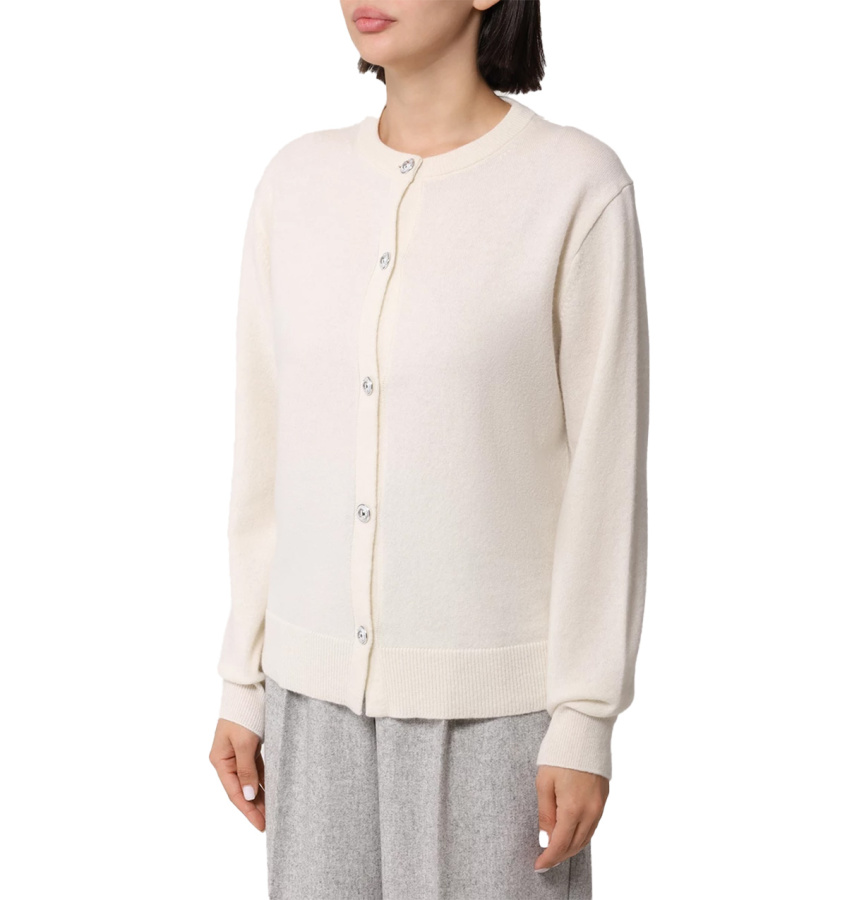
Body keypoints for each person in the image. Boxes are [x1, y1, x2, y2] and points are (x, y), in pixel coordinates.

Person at [208, 1, 650, 898]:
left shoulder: (574, 186)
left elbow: (606, 477)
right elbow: (265, 456)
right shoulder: (294, 184)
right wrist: (241, 682)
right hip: (308, 704)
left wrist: (583, 718)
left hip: (498, 720)